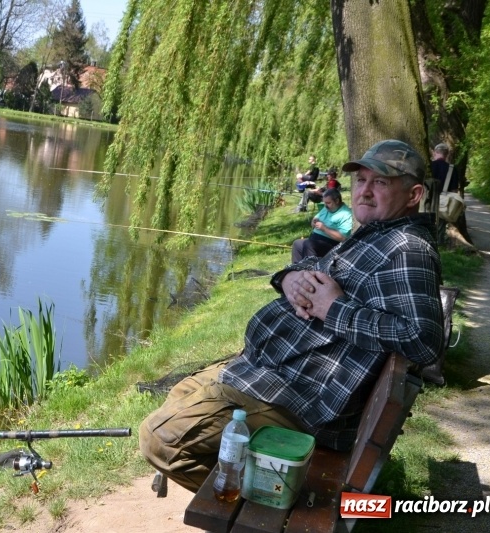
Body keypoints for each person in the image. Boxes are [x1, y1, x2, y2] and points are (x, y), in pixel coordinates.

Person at [139, 139, 443, 493]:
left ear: (413, 194)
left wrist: (334, 308)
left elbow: (424, 341)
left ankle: (260, 507)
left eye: (380, 182)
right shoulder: (377, 234)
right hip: (269, 374)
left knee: (159, 440)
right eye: (361, 180)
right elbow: (318, 265)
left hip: (299, 402)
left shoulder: (407, 249)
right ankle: (242, 492)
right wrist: (287, 278)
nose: (364, 191)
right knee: (182, 391)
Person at [291, 188, 352, 262]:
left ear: (337, 201)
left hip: (332, 245)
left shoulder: (346, 214)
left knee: (309, 244)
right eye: (324, 203)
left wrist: (324, 229)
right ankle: (297, 269)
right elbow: (314, 221)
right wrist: (313, 222)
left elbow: (343, 238)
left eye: (328, 203)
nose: (325, 205)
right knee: (297, 244)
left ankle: (311, 270)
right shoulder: (327, 208)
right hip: (316, 240)